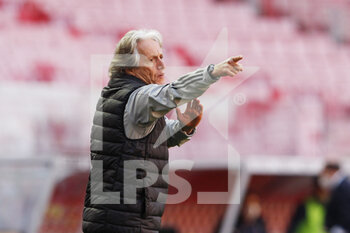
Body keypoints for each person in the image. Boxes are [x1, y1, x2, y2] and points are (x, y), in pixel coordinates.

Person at [82, 29, 243, 233]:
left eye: (161, 57)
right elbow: (172, 92)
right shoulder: (139, 97)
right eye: (151, 59)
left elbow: (150, 138)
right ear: (130, 65)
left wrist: (184, 127)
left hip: (115, 219)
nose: (161, 65)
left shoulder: (119, 95)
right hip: (123, 222)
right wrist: (212, 73)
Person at [319, 162, 350, 233]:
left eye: (325, 172)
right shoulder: (338, 186)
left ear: (332, 170)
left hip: (341, 228)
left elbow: (344, 210)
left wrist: (342, 227)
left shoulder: (343, 187)